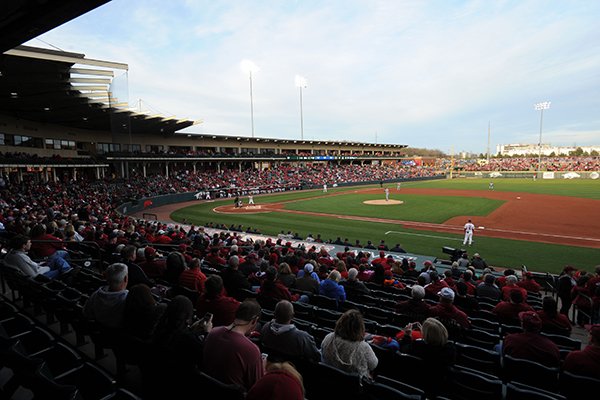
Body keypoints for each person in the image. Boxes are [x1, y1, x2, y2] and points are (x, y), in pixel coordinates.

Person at [202, 299, 264, 391]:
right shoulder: (252, 350)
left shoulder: (213, 332)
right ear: (254, 321)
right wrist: (261, 366)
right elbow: (257, 388)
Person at [398, 318, 456, 398]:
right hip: (437, 387)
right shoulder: (450, 350)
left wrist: (407, 336)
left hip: (419, 383)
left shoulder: (419, 347)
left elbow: (404, 348)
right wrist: (426, 335)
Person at [321, 309, 378, 378]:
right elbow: (373, 365)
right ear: (360, 328)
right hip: (354, 386)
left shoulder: (328, 338)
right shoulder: (363, 347)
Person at [4, 234, 72, 279]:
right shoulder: (20, 257)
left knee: (57, 258)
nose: (31, 244)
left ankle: (68, 270)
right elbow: (33, 275)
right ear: (23, 246)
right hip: (39, 278)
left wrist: (41, 264)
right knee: (61, 269)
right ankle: (69, 273)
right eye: (29, 243)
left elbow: (32, 267)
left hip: (37, 271)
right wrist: (47, 267)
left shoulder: (10, 254)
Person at [83, 263, 129, 329]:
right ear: (125, 278)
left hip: (100, 335)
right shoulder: (128, 299)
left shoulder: (95, 295)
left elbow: (86, 313)